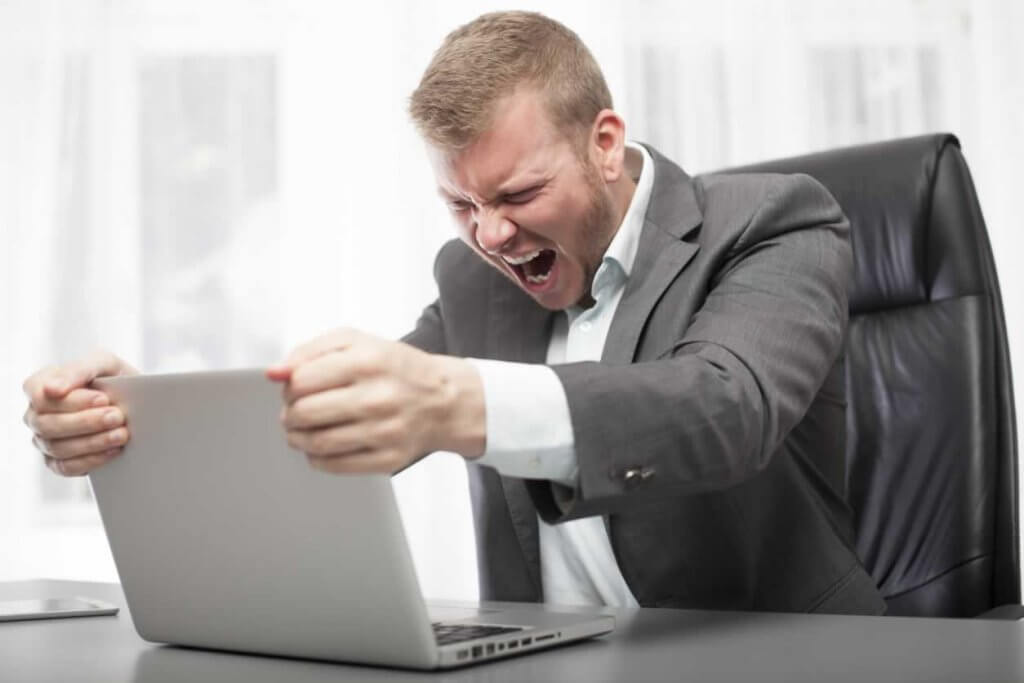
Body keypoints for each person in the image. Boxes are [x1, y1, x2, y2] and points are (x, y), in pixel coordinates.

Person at [21, 11, 886, 614]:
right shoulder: (472, 281)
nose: (493, 235)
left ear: (606, 141)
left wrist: (459, 403)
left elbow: (721, 409)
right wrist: (134, 421)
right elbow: (339, 422)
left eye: (519, 193)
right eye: (461, 206)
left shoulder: (776, 221)